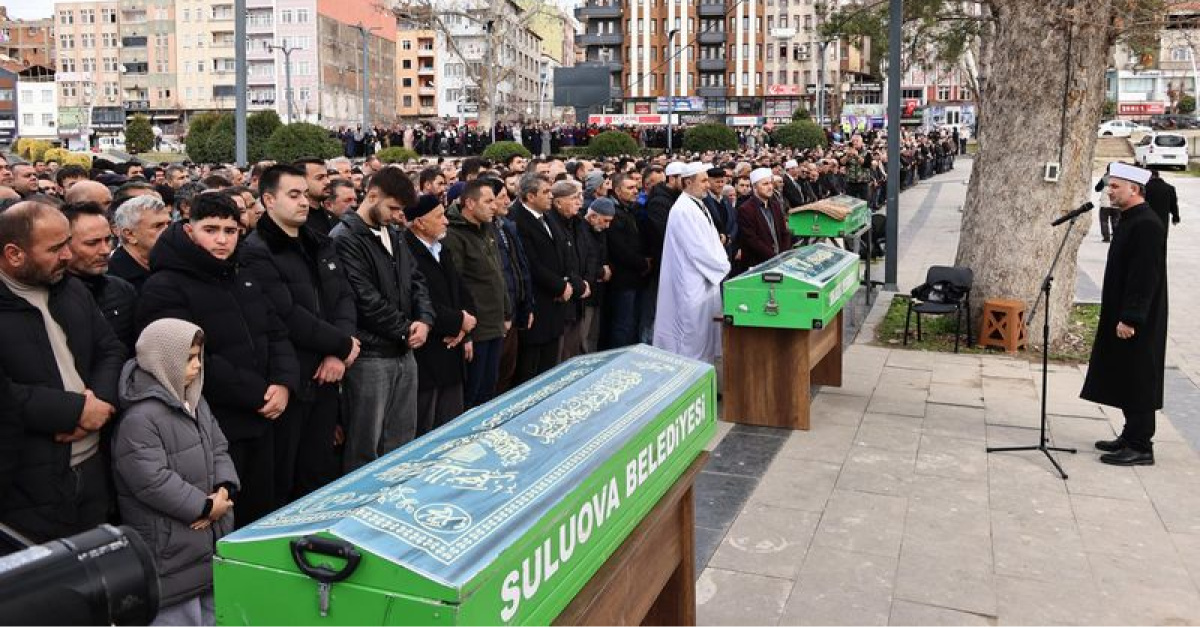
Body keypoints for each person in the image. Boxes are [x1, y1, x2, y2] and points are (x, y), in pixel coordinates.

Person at [137, 193, 298, 526]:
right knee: (228, 520)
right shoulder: (165, 285)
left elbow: (276, 331)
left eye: (231, 229)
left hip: (266, 415)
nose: (222, 239)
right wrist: (257, 394)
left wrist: (283, 382)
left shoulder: (243, 274)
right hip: (215, 424)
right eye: (211, 229)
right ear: (189, 229)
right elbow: (187, 357)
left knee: (265, 510)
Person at [0, 200, 126, 543]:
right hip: (27, 484)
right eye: (55, 248)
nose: (68, 256)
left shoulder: (70, 289)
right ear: (14, 254)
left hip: (92, 470)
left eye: (68, 243)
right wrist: (73, 411)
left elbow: (109, 350)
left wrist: (100, 404)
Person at [241, 165, 359, 501]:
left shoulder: (319, 243)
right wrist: (341, 343)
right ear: (268, 199)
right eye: (293, 196)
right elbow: (287, 314)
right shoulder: (256, 250)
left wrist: (340, 350)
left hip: (328, 373)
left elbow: (344, 297)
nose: (304, 203)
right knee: (285, 477)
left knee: (318, 471)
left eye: (305, 195)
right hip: (292, 379)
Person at [112, 319, 237, 626]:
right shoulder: (140, 418)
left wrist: (223, 488)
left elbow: (219, 445)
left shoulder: (195, 400)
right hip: (170, 547)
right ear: (163, 361)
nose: (196, 366)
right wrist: (204, 506)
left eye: (199, 357)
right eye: (189, 358)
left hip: (205, 536)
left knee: (212, 611)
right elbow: (152, 480)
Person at [330, 167, 433, 471]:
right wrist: (406, 329)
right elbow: (363, 299)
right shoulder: (344, 237)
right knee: (365, 448)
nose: (398, 215)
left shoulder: (395, 234)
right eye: (393, 208)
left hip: (404, 350)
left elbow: (416, 281)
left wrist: (424, 320)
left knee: (401, 443)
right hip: (370, 357)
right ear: (372, 195)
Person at [1081, 163, 1168, 467]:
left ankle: (1141, 445)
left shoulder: (1146, 224)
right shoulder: (1131, 219)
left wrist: (1131, 318)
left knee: (1139, 376)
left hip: (1137, 317)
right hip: (1123, 310)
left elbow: (1144, 276)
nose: (1109, 191)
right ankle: (1130, 434)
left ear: (1135, 189)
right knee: (1125, 373)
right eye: (1109, 185)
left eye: (1116, 186)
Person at [404, 195, 475, 435]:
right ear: (420, 223)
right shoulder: (407, 251)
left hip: (451, 349)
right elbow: (420, 300)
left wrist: (465, 327)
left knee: (452, 426)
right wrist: (458, 322)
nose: (446, 221)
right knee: (427, 428)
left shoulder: (441, 249)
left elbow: (461, 290)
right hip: (428, 355)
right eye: (439, 216)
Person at [653, 164, 731, 365]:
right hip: (690, 280)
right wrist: (723, 266)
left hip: (704, 279)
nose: (708, 185)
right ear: (689, 182)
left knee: (705, 332)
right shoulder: (682, 209)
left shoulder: (698, 203)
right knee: (691, 335)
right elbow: (698, 249)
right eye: (703, 181)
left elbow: (711, 240)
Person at [443, 179, 507, 408]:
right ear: (469, 203)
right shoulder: (454, 235)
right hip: (475, 328)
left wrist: (506, 312)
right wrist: (466, 332)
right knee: (472, 395)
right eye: (488, 201)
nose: (494, 206)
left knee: (489, 390)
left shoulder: (487, 228)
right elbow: (456, 284)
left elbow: (497, 273)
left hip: (494, 323)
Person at [511, 173, 578, 383]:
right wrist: (559, 287)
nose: (551, 196)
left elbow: (564, 250)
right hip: (538, 302)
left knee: (549, 365)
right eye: (546, 192)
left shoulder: (547, 216)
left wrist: (566, 283)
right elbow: (531, 263)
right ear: (530, 196)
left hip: (555, 302)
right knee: (531, 369)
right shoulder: (517, 220)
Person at [62, 202, 139, 350]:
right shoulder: (48, 298)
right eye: (92, 243)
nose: (105, 250)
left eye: (108, 240)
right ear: (64, 244)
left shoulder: (123, 290)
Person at [602, 171, 650, 349]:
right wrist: (643, 263)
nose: (635, 191)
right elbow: (620, 248)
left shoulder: (630, 210)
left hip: (635, 277)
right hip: (622, 279)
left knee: (632, 322)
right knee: (623, 324)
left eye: (636, 187)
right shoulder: (613, 212)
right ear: (617, 190)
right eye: (630, 188)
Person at [110, 195, 173, 292]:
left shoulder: (174, 263)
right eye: (158, 226)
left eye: (169, 224)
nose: (168, 230)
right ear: (130, 235)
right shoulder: (112, 278)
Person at [1144, 169, 1180, 235]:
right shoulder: (1170, 188)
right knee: (1162, 240)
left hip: (1147, 219)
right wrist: (1175, 217)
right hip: (1163, 220)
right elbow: (1173, 205)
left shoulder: (1145, 188)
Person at [1094, 168, 1119, 243]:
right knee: (1116, 220)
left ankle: (1106, 237)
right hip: (1116, 203)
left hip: (1105, 204)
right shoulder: (1120, 179)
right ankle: (1116, 237)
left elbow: (1097, 188)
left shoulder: (1105, 178)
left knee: (1104, 221)